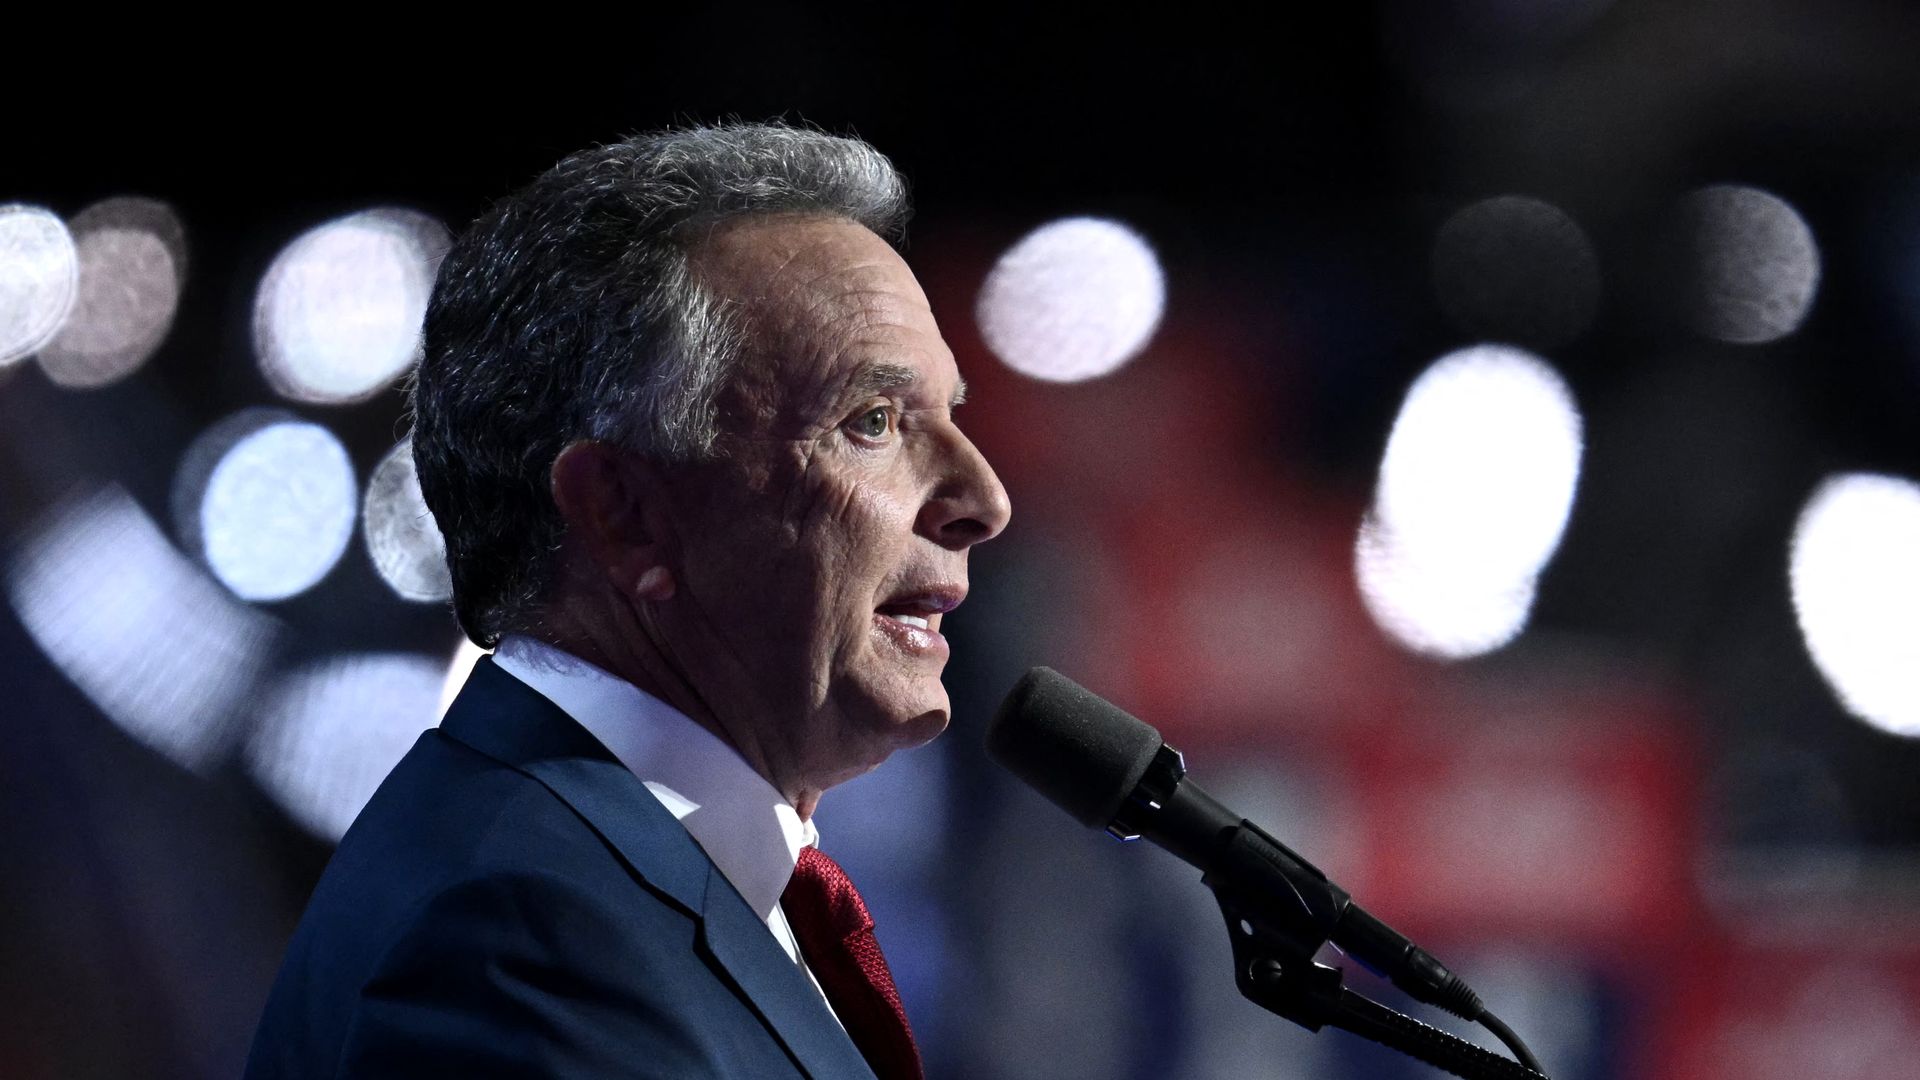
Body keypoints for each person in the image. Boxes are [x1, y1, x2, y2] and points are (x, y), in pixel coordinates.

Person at [244, 123, 1011, 1079]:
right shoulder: (520, 937)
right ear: (628, 517)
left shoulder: (652, 874)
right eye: (873, 422)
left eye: (952, 415)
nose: (985, 501)